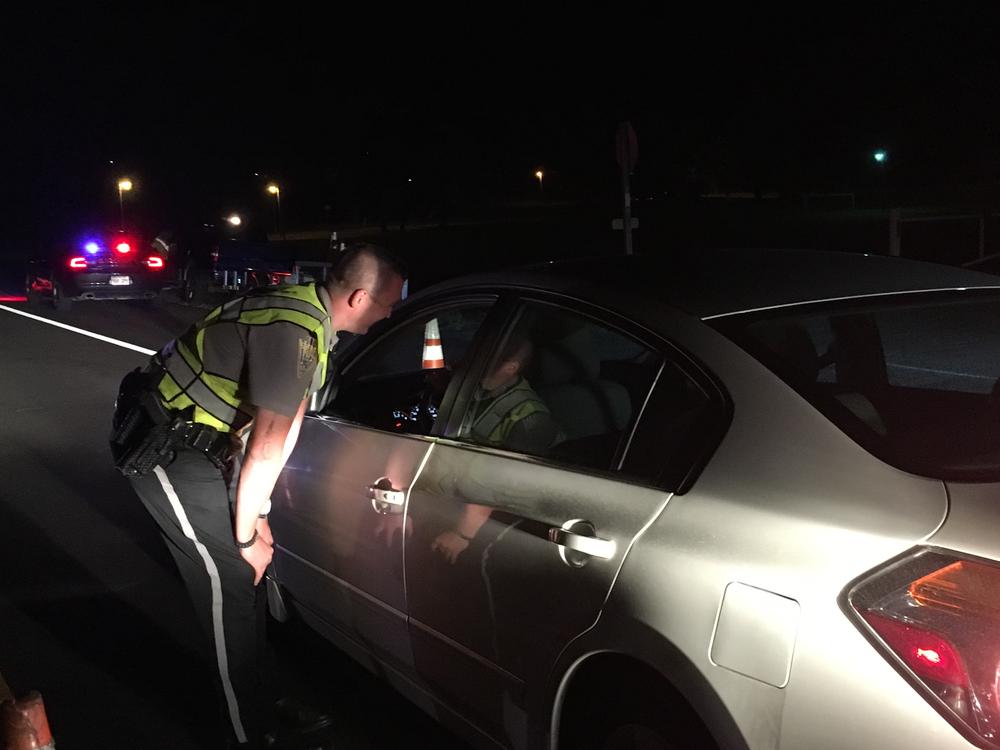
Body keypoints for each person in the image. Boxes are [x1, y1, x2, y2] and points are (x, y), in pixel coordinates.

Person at [115, 244, 405, 748]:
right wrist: (246, 537)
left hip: (209, 448)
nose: (390, 313)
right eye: (389, 304)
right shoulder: (295, 331)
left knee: (248, 579)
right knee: (227, 580)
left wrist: (259, 518)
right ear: (360, 298)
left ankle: (262, 694)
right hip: (165, 450)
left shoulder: (310, 319)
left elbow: (274, 433)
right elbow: (268, 444)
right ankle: (245, 731)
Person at [431, 334, 561, 563]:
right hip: (451, 498)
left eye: (485, 361)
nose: (475, 365)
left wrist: (463, 534)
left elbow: (503, 485)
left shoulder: (530, 419)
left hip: (491, 523)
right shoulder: (480, 389)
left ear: (511, 367)